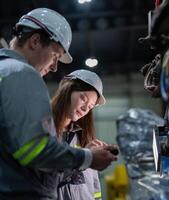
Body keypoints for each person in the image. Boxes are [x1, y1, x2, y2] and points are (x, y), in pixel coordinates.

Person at [0, 8, 117, 200]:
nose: (55, 67)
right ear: (35, 41)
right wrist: (88, 158)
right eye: (55, 55)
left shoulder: (4, 71)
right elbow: (34, 150)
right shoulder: (22, 73)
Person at [51, 69, 108, 200]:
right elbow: (41, 178)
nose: (84, 109)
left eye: (90, 107)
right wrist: (83, 158)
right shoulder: (43, 130)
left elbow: (94, 187)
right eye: (83, 99)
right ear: (67, 90)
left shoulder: (83, 136)